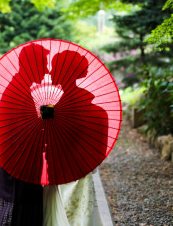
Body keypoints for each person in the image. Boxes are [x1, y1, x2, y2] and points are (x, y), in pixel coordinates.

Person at [43, 50, 109, 226]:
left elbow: (45, 144)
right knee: (80, 218)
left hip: (60, 172)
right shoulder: (97, 112)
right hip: (80, 170)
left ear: (66, 72)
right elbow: (100, 150)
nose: (50, 72)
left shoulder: (53, 111)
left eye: (54, 68)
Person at [0, 43, 50, 226]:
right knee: (15, 218)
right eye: (44, 64)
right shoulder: (18, 91)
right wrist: (45, 120)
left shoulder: (20, 87)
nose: (47, 70)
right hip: (16, 170)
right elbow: (25, 133)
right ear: (32, 65)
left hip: (17, 167)